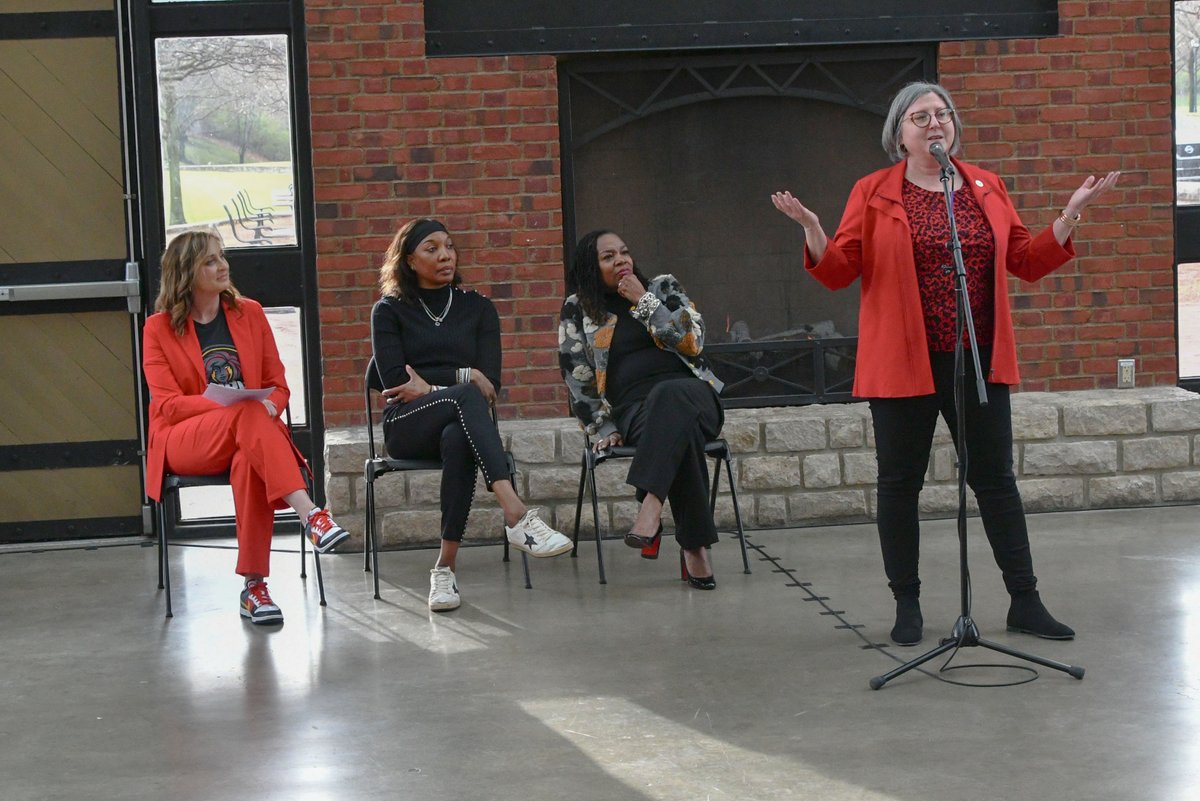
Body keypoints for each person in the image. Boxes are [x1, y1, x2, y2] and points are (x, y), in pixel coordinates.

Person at [771, 81, 1119, 645]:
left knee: (996, 482)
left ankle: (1024, 601)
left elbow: (1025, 261)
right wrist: (814, 230)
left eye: (942, 115)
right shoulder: (873, 190)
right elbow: (838, 272)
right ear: (898, 133)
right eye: (920, 117)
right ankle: (906, 605)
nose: (935, 124)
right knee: (899, 484)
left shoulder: (985, 185)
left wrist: (1070, 216)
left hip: (976, 359)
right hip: (902, 362)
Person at [143, 228, 348, 625]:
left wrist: (268, 407)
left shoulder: (248, 313)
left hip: (249, 436)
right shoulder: (159, 328)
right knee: (245, 413)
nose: (223, 266)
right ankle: (311, 515)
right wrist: (228, 404)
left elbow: (279, 385)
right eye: (210, 261)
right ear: (185, 273)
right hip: (186, 440)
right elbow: (167, 406)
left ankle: (255, 587)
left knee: (247, 461)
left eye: (222, 257)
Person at [371, 218, 573, 612]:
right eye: (431, 248)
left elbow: (490, 386)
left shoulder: (478, 308)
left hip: (458, 423)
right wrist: (462, 377)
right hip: (408, 424)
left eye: (449, 246)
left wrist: (430, 385)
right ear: (409, 260)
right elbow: (394, 381)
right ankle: (516, 514)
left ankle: (444, 570)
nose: (445, 254)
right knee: (465, 398)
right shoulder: (389, 310)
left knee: (458, 437)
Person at [559, 230, 726, 589]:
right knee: (680, 433)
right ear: (591, 267)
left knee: (673, 395)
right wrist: (602, 427)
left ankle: (651, 504)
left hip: (697, 397)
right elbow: (578, 378)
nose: (621, 260)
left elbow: (693, 343)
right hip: (636, 414)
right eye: (608, 257)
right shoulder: (579, 309)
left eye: (624, 252)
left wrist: (645, 301)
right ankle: (694, 549)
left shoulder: (662, 289)